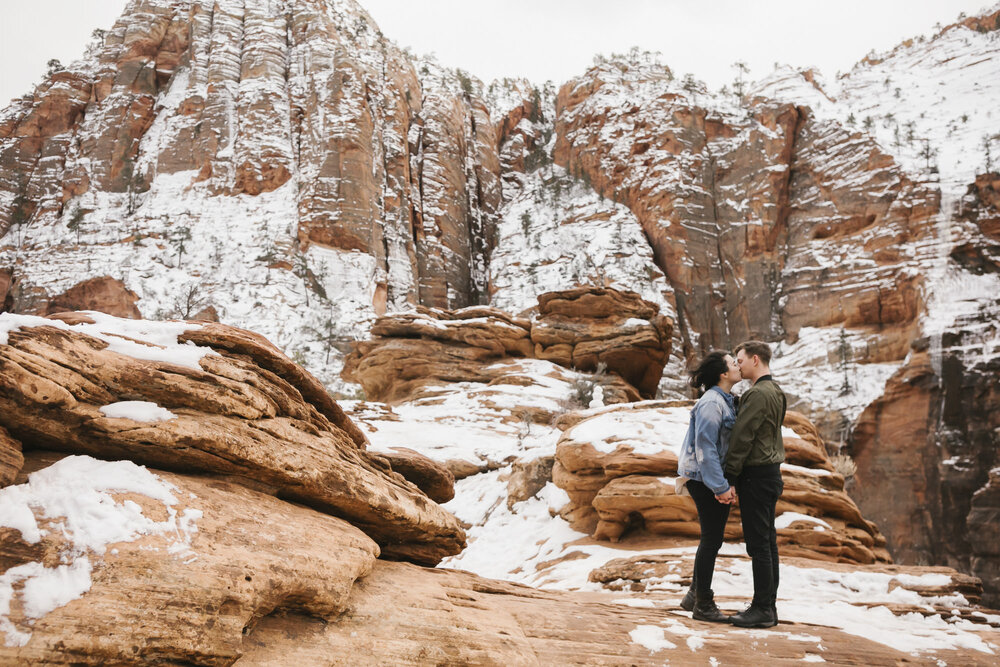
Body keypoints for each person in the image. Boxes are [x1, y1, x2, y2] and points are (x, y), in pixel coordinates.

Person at [725, 340, 787, 629]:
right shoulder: (776, 392)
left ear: (755, 360)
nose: (738, 365)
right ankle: (768, 607)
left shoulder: (758, 393)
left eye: (740, 360)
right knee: (768, 542)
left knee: (759, 544)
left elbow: (742, 438)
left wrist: (730, 477)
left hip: (757, 476)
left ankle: (762, 608)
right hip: (772, 474)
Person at [676, 351, 741, 623]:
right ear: (723, 374)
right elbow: (706, 449)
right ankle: (703, 603)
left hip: (708, 478)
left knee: (711, 539)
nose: (738, 366)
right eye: (733, 363)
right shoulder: (712, 403)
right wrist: (720, 487)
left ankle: (694, 594)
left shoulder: (724, 401)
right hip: (704, 479)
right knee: (711, 540)